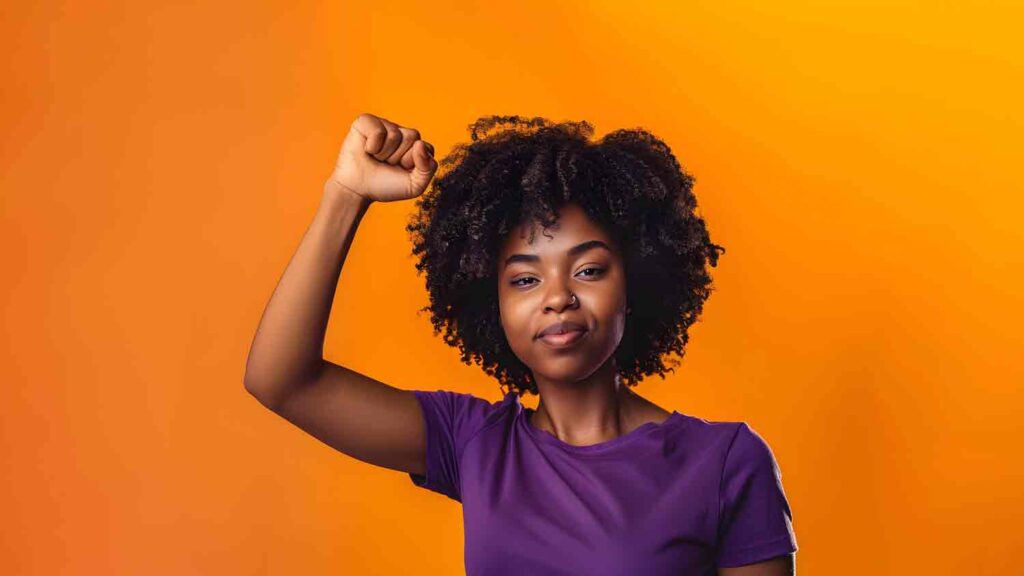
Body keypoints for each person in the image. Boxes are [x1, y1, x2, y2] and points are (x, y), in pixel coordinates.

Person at [243, 113, 798, 575]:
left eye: (588, 269)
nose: (557, 297)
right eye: (526, 279)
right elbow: (282, 380)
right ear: (495, 306)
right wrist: (345, 195)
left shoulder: (724, 463)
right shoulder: (475, 444)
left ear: (635, 284)